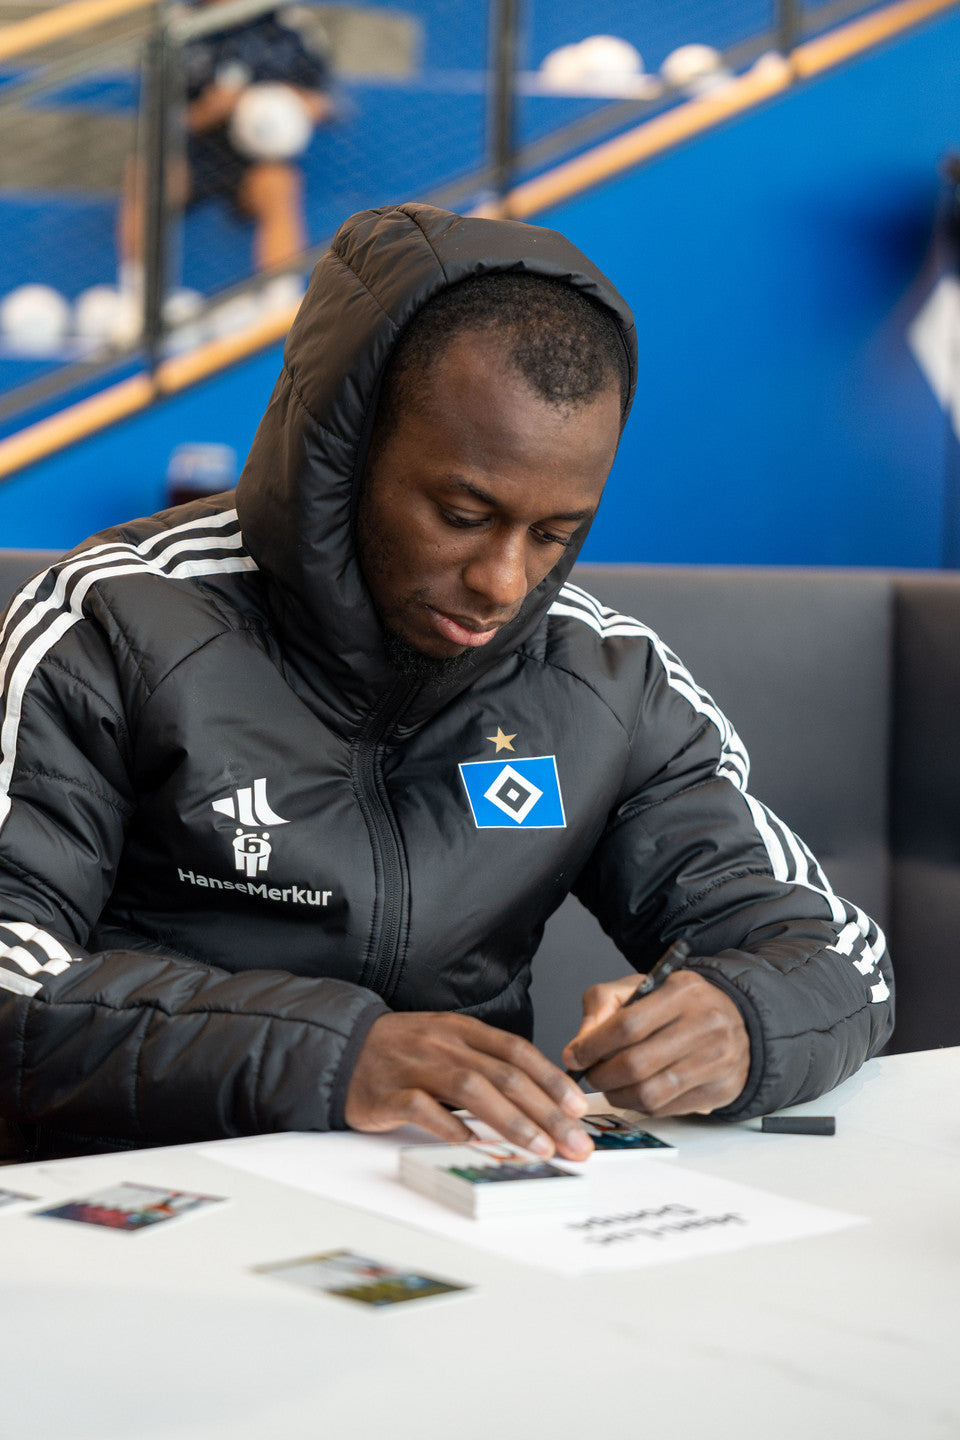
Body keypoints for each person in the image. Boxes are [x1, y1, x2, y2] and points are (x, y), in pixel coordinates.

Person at [0, 203, 893, 1161]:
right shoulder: (111, 623)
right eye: (464, 516)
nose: (505, 583)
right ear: (345, 451)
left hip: (457, 1207)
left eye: (554, 535)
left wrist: (743, 1018)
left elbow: (836, 954)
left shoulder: (607, 681)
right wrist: (337, 1055)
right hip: (136, 1199)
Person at [119, 0, 334, 279]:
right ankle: (139, 289)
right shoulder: (175, 30)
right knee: (147, 175)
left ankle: (278, 294)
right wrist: (205, 113)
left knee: (279, 184)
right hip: (193, 154)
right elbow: (153, 119)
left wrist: (285, 101)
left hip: (257, 161)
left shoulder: (290, 25)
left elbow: (327, 104)